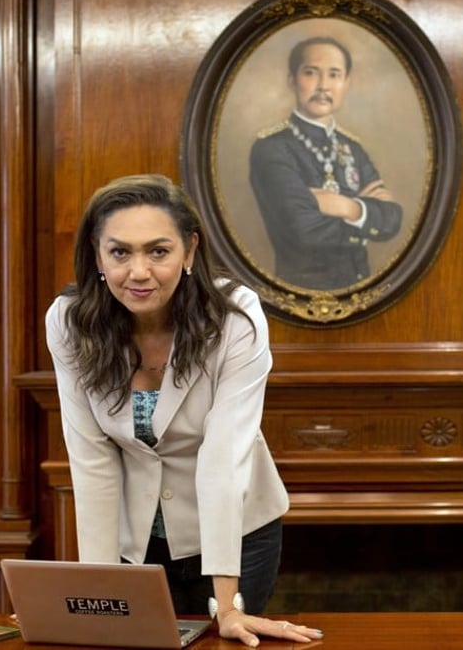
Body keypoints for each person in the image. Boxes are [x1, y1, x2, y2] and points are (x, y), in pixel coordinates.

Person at [45, 174, 322, 647]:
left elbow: (223, 456)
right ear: (97, 256)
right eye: (120, 252)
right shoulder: (70, 323)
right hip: (137, 542)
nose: (139, 271)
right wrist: (98, 595)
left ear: (190, 251)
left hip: (237, 536)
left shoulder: (235, 317)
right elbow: (91, 460)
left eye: (158, 251)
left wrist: (228, 607)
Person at [249, 35, 404, 291]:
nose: (323, 86)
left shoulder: (353, 148)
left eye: (334, 75)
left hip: (361, 289)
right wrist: (365, 216)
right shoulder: (271, 148)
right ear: (292, 80)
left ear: (346, 83)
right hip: (298, 291)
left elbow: (391, 219)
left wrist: (348, 207)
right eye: (311, 73)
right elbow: (303, 230)